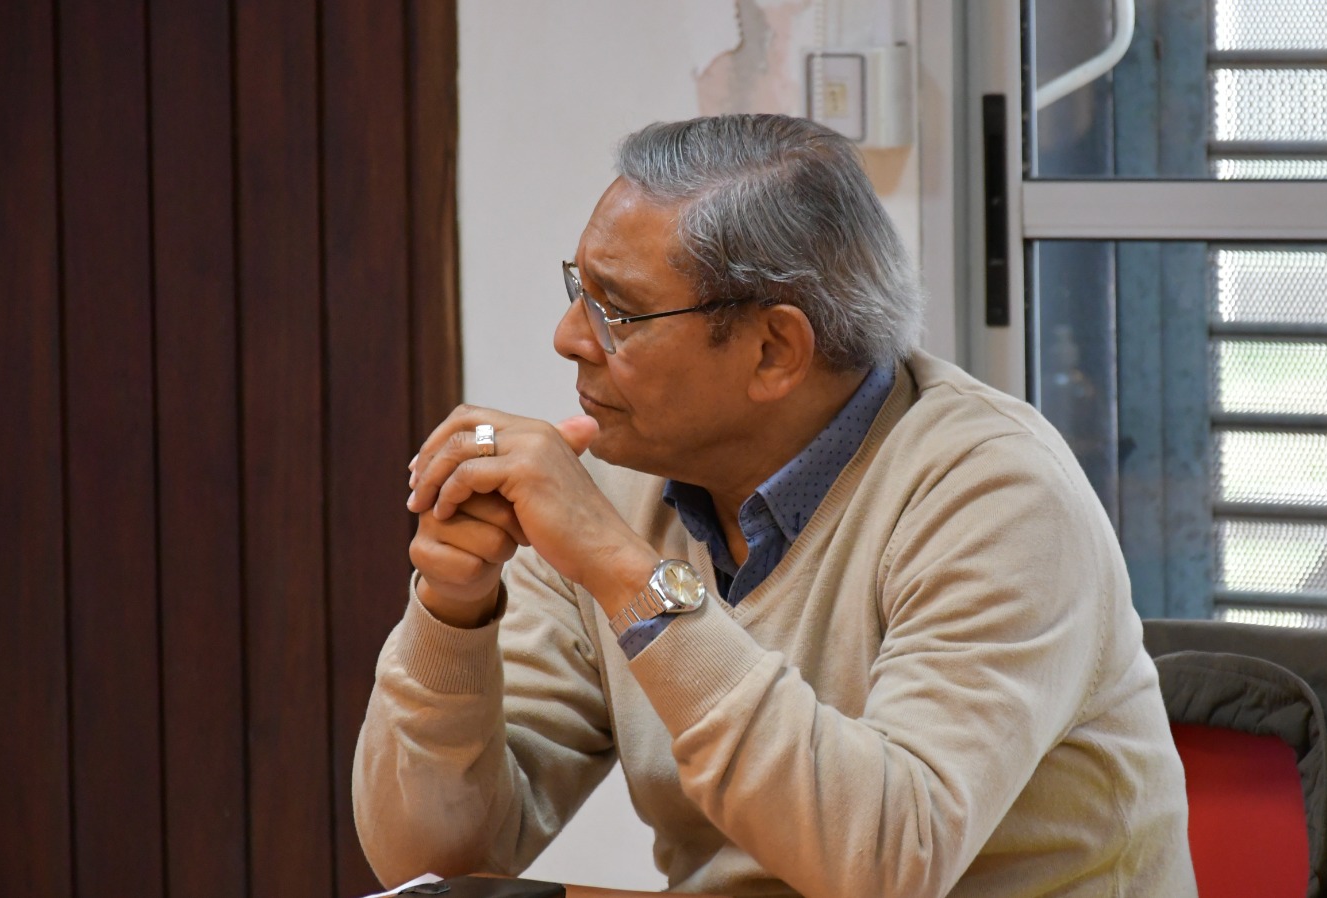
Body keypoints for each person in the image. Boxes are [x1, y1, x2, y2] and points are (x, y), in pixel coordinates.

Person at [354, 113, 1195, 898]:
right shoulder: (622, 478)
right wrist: (453, 614)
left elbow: (888, 859)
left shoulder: (998, 494)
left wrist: (627, 576)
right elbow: (429, 862)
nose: (570, 337)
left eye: (619, 311)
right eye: (580, 289)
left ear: (774, 350)